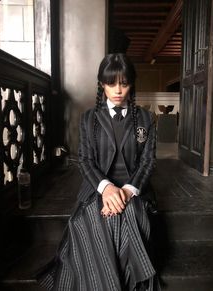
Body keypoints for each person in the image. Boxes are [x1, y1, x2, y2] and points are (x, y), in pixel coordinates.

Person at [38, 53, 160, 291]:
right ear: (102, 84)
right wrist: (106, 189)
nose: (117, 90)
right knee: (93, 219)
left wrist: (126, 192)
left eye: (124, 84)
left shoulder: (147, 118)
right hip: (98, 188)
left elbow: (148, 163)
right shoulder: (88, 119)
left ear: (131, 84)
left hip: (133, 189)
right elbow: (84, 161)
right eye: (111, 83)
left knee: (130, 217)